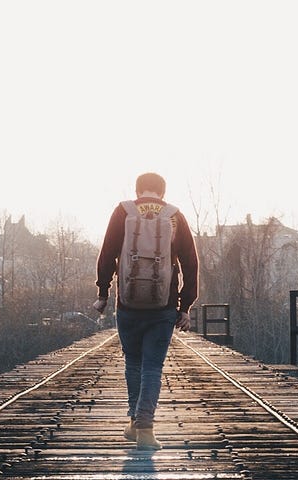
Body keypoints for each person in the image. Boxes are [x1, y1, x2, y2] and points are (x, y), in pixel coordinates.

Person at [92, 172, 199, 450]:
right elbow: (190, 262)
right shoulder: (174, 215)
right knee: (152, 366)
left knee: (133, 363)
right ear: (162, 193)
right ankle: (145, 429)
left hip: (127, 304)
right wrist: (185, 306)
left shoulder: (123, 211)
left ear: (138, 190)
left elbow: (107, 255)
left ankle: (134, 423)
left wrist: (103, 293)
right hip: (163, 306)